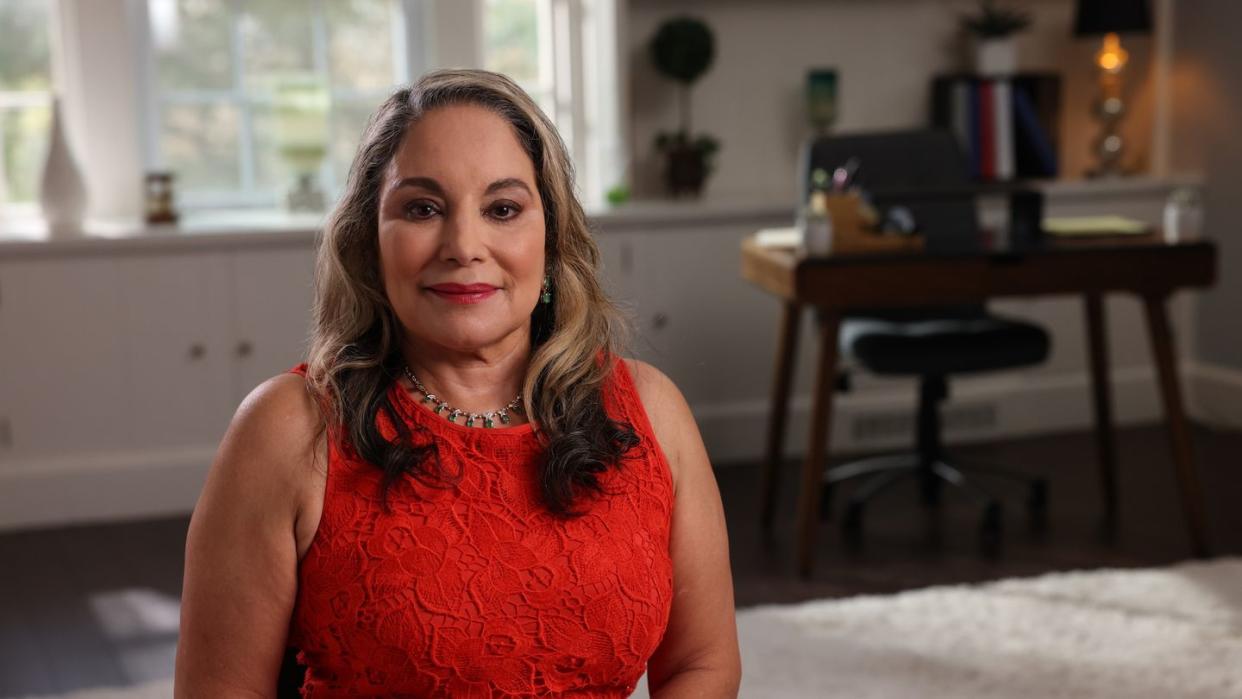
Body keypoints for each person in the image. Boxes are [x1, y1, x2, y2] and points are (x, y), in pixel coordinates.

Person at [174, 69, 741, 697]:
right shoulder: (287, 430)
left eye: (502, 209)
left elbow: (703, 664)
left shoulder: (651, 410)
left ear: (550, 239)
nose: (464, 245)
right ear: (370, 240)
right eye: (422, 208)